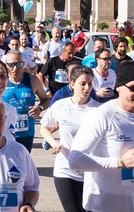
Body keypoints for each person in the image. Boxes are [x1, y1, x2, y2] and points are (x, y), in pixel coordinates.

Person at [69, 60, 134, 212]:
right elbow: (75, 160)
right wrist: (119, 163)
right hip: (104, 206)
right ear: (119, 87)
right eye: (133, 88)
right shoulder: (102, 115)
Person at [40, 65, 100, 212]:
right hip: (65, 170)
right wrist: (53, 142)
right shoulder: (61, 106)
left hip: (91, 172)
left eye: (90, 84)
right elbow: (44, 127)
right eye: (83, 83)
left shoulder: (98, 110)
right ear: (72, 84)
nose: (87, 88)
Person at [2, 50, 49, 152]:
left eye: (18, 64)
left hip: (26, 132)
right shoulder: (1, 81)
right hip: (5, 132)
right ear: (6, 65)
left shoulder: (32, 80)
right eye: (11, 65)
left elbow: (45, 99)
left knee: (23, 163)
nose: (15, 68)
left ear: (23, 64)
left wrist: (39, 108)